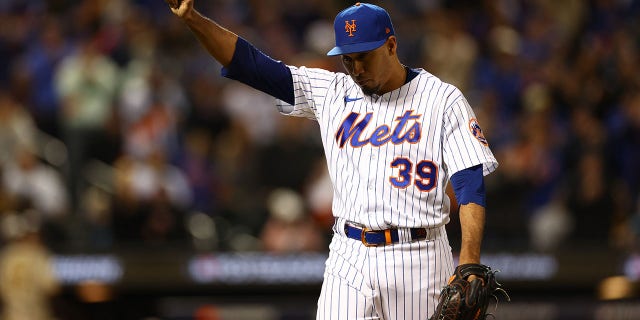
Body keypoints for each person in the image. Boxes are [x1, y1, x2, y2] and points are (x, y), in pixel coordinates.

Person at [164, 1, 498, 319]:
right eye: (347, 59)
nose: (356, 68)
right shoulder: (331, 91)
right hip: (347, 253)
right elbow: (251, 66)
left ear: (392, 45)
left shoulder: (442, 99)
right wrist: (193, 18)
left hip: (418, 256)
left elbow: (469, 184)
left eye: (364, 56)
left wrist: (468, 260)